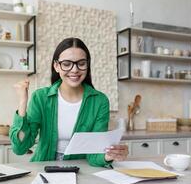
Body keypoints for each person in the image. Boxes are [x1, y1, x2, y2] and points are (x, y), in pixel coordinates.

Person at [10, 37, 128, 167]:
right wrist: (22, 102)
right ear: (56, 66)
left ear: (87, 65)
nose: (74, 70)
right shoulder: (40, 97)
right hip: (44, 168)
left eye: (81, 63)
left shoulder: (100, 101)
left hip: (81, 168)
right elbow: (20, 148)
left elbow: (94, 153)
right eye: (66, 64)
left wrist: (108, 155)